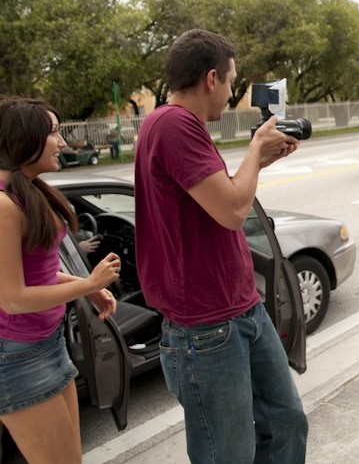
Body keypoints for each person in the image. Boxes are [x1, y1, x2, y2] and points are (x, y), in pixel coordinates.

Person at [134, 29, 307, 463]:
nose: (232, 94)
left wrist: (259, 160)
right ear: (212, 79)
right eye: (231, 82)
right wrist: (253, 150)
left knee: (285, 421)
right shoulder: (174, 125)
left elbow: (218, 196)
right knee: (229, 453)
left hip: (241, 309)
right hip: (206, 328)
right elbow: (232, 211)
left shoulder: (176, 124)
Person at [0, 96, 120, 463]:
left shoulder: (29, 191)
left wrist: (91, 290)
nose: (63, 142)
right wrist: (87, 284)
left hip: (48, 343)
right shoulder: (4, 205)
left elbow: (38, 271)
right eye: (53, 132)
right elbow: (13, 297)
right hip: (18, 357)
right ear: (25, 139)